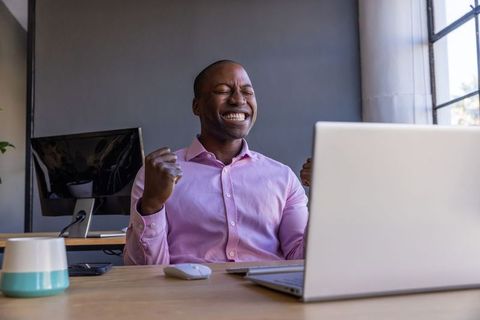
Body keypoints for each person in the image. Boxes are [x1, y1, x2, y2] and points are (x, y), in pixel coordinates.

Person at [124, 60, 308, 265]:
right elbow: (142, 271)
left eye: (247, 92)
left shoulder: (283, 177)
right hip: (188, 293)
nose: (239, 100)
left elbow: (301, 260)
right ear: (197, 106)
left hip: (267, 294)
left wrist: (326, 200)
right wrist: (151, 204)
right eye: (223, 90)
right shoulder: (157, 175)